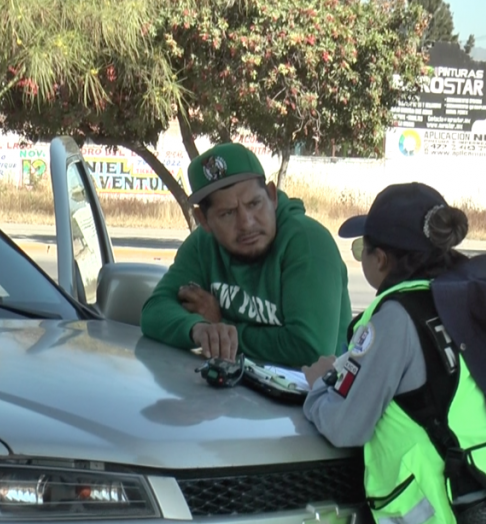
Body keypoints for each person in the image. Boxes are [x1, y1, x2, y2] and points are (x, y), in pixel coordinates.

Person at [301, 182, 486, 524]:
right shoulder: (470, 295)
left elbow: (346, 426)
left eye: (361, 250)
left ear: (380, 259)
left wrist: (319, 386)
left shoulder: (397, 317)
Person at [140, 142, 351, 368]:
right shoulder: (202, 245)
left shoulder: (307, 241)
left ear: (272, 196)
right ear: (204, 220)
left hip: (312, 400)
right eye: (227, 213)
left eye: (254, 204)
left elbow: (311, 348)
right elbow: (154, 311)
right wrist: (198, 329)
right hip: (229, 396)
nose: (246, 223)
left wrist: (222, 324)